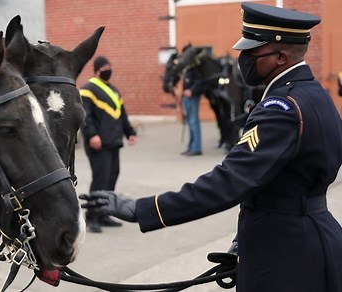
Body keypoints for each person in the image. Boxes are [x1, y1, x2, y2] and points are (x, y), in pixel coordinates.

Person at [80, 2, 342, 291]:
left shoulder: (280, 109)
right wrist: (245, 238)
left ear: (280, 56)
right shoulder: (315, 95)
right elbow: (286, 177)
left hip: (285, 251)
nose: (242, 58)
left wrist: (145, 209)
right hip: (304, 236)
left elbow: (229, 181)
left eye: (251, 52)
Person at [80, 56, 137, 233]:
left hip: (113, 142)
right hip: (98, 143)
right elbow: (84, 116)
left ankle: (104, 213)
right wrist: (92, 135)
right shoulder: (87, 90)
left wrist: (130, 133)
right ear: (97, 70)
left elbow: (122, 114)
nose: (108, 69)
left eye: (109, 66)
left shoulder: (113, 90)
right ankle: (92, 217)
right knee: (100, 179)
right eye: (104, 67)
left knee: (112, 177)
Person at [181, 62, 205, 156]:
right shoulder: (187, 68)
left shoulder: (195, 69)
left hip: (193, 97)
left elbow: (200, 82)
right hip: (186, 98)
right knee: (190, 123)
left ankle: (196, 148)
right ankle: (191, 147)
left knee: (194, 122)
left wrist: (192, 90)